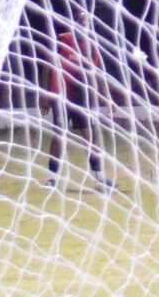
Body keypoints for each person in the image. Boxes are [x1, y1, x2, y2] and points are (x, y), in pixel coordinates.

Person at [44, 26, 111, 188]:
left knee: (90, 136)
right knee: (59, 135)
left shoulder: (91, 46)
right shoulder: (62, 39)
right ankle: (51, 179)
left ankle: (100, 179)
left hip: (82, 96)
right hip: (61, 94)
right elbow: (47, 67)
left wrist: (106, 96)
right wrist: (45, 94)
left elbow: (96, 72)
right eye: (81, 22)